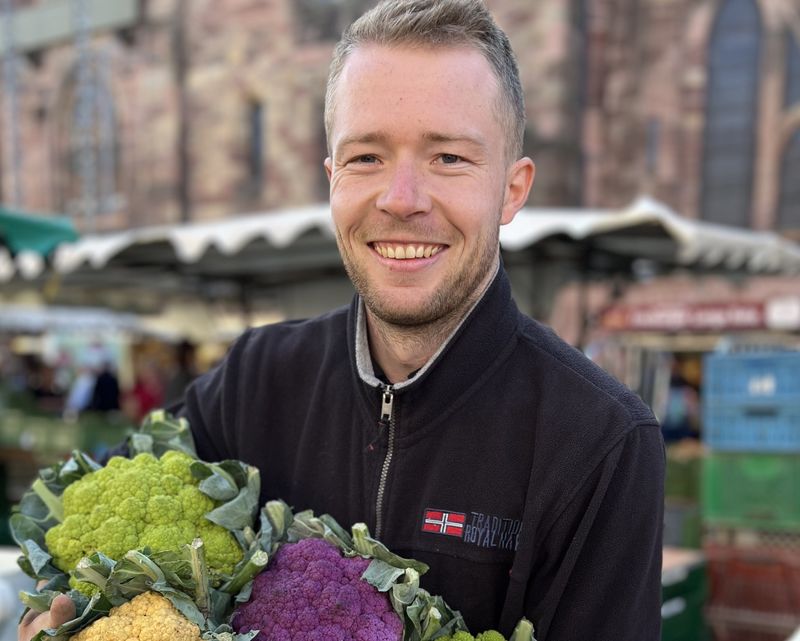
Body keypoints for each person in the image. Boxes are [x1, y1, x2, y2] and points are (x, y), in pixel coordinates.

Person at [20, 1, 664, 640]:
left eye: (448, 158)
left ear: (513, 189)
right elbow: (94, 529)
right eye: (366, 158)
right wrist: (50, 619)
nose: (401, 199)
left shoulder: (600, 442)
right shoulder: (253, 380)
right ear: (332, 179)